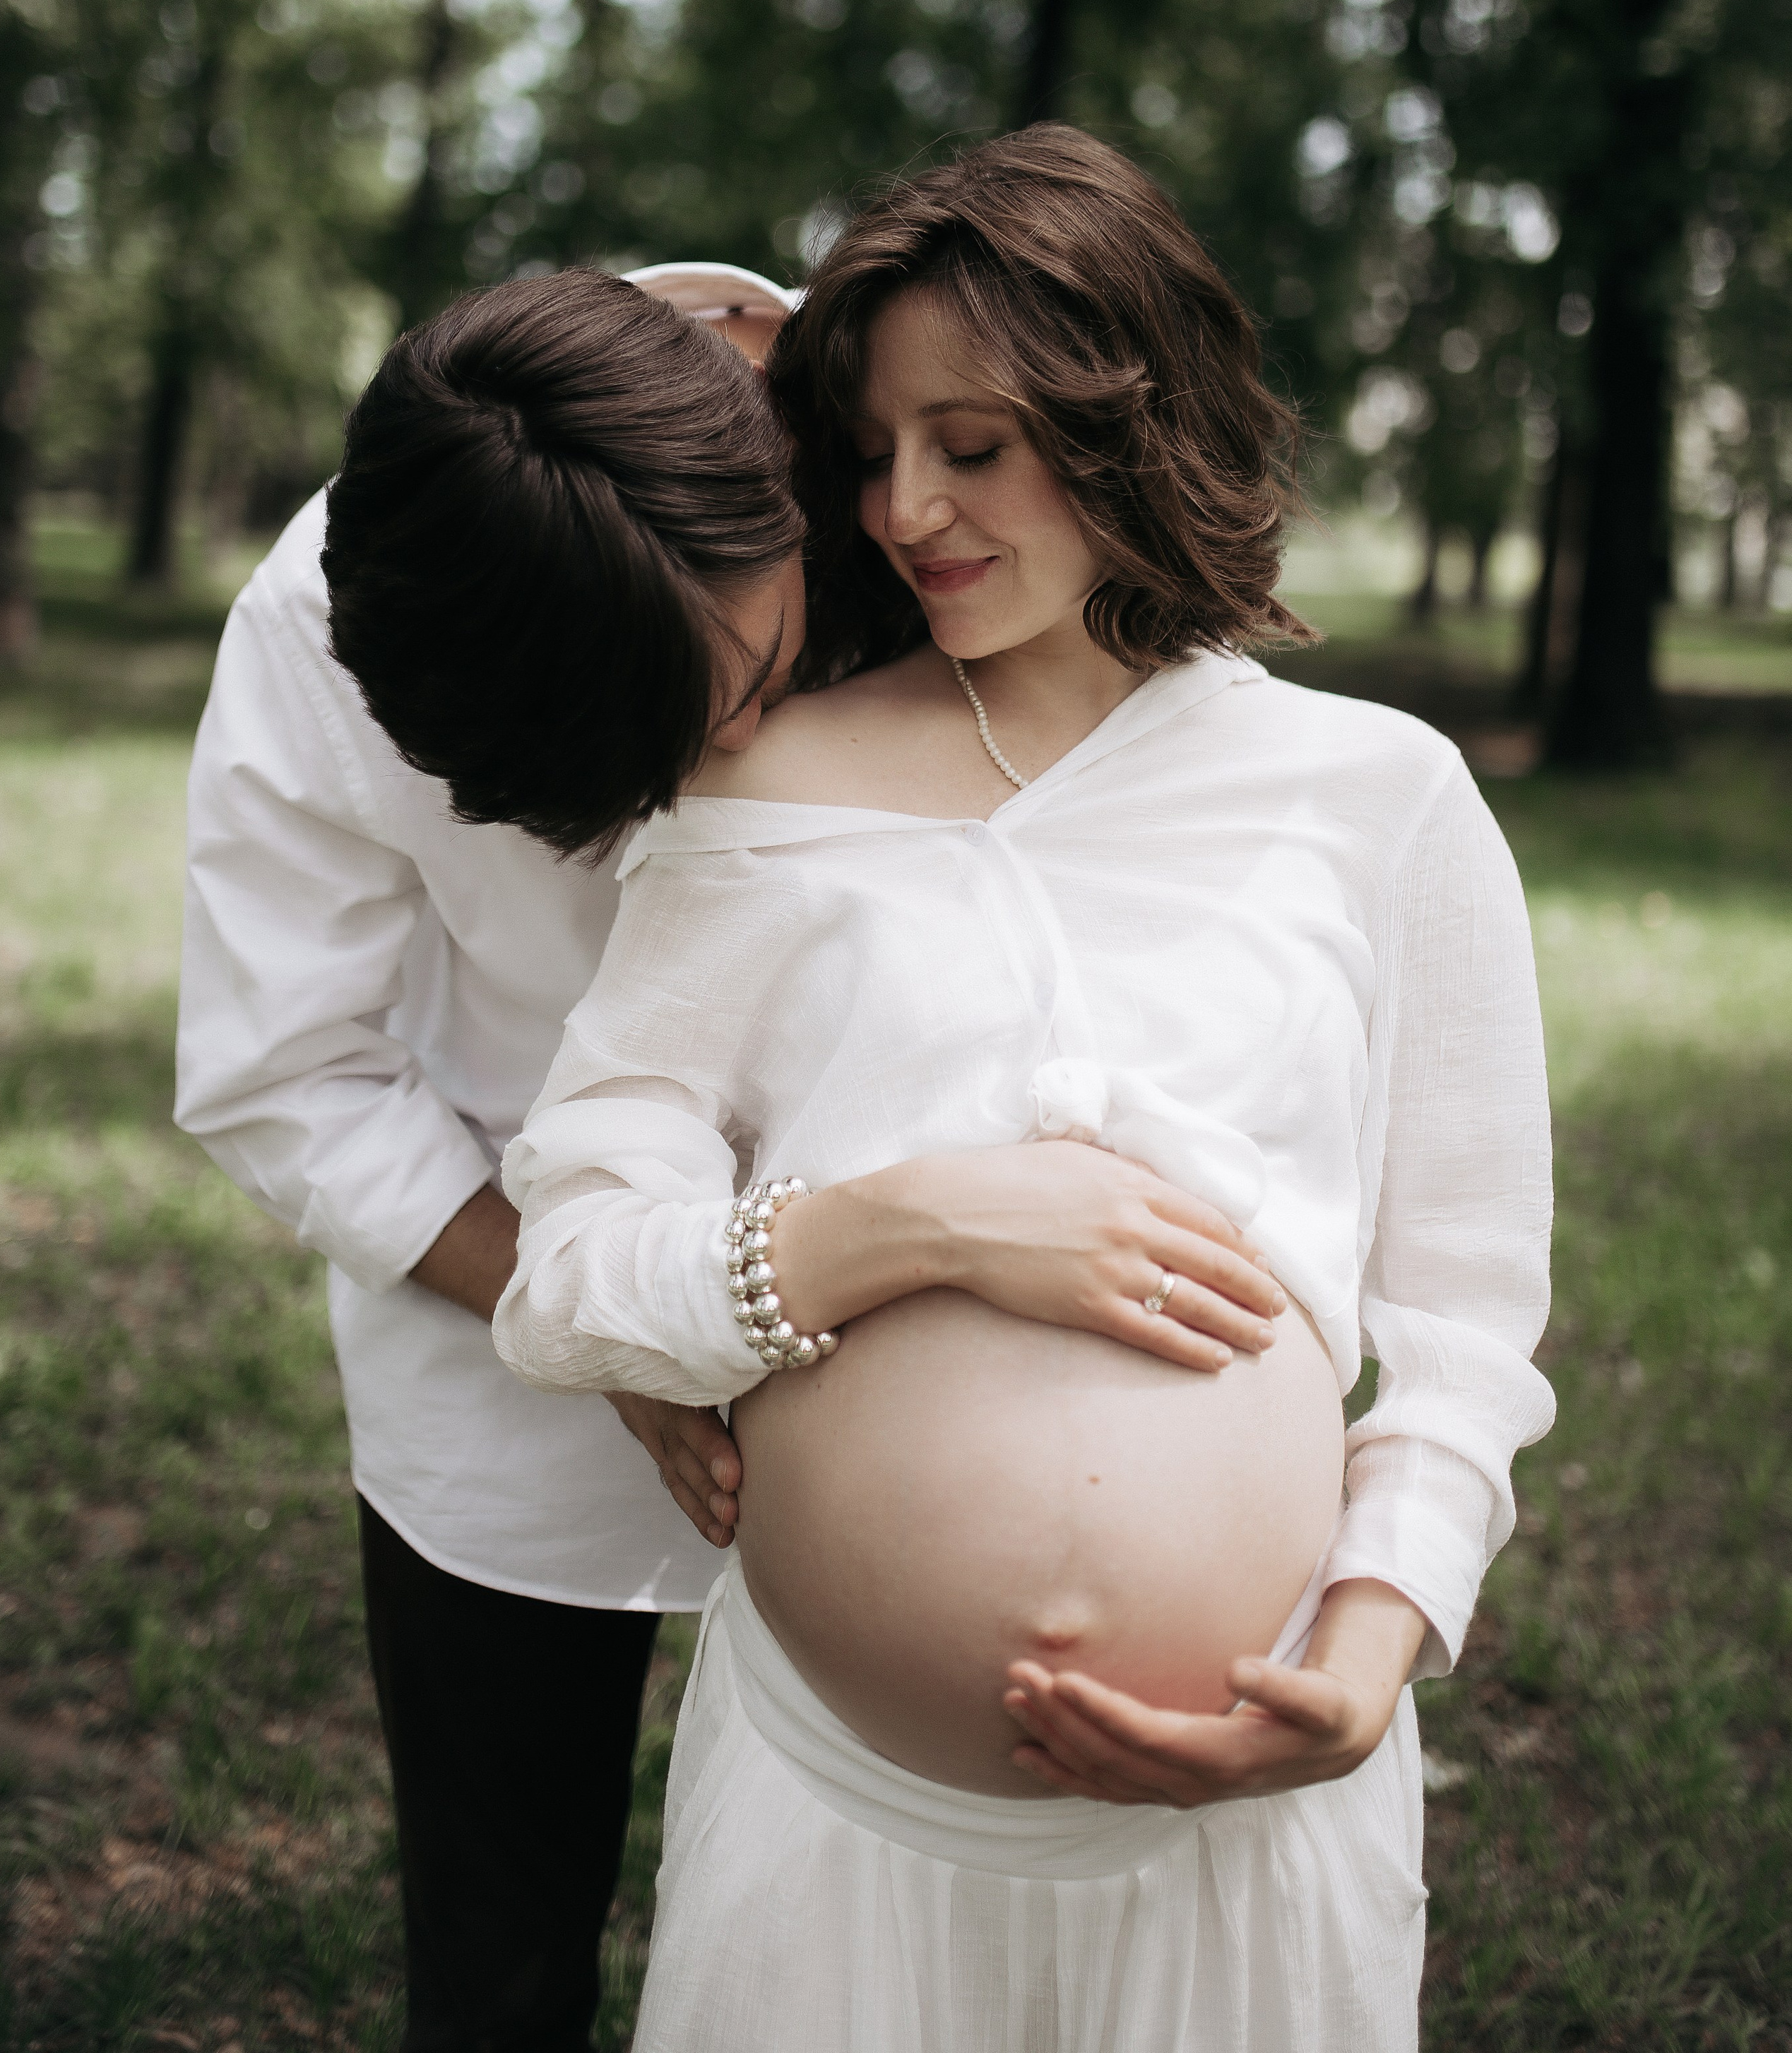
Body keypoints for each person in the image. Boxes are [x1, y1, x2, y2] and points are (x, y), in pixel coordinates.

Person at [492, 126, 1556, 2052]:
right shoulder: (755, 791)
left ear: (1132, 416)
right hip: (844, 1833)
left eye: (973, 447)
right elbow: (567, 1269)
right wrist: (905, 1229)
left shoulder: (1379, 800)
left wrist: (1376, 1647)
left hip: (1247, 1835)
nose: (907, 508)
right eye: (875, 451)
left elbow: (1470, 1319)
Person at [173, 259, 810, 2053]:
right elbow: (290, 1072)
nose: (749, 757)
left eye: (756, 681)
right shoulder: (327, 620)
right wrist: (601, 1318)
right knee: (504, 1936)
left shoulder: (928, 456)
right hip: (503, 1322)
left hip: (904, 1306)